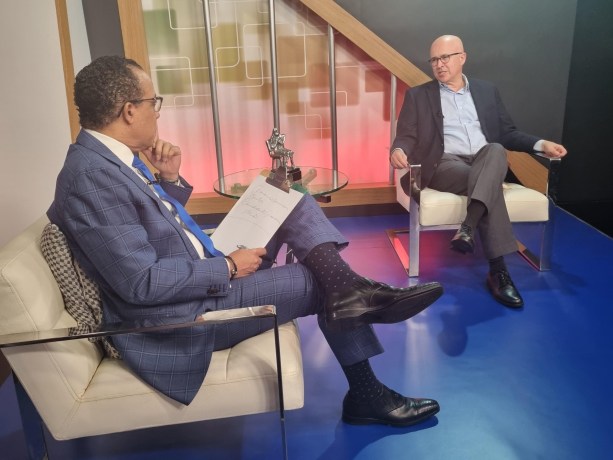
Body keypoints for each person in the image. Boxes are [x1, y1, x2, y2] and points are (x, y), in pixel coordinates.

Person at [48, 55, 444, 427]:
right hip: (180, 317)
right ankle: (366, 384)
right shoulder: (92, 176)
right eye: (154, 102)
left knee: (291, 200)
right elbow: (140, 283)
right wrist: (228, 266)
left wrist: (169, 179)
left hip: (195, 270)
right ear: (129, 111)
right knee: (319, 280)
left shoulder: (109, 159)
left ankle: (353, 294)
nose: (157, 111)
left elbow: (148, 226)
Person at [390, 35, 567, 308]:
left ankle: (468, 227)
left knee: (495, 149)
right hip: (444, 163)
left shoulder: (486, 91)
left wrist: (541, 144)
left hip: (486, 160)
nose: (439, 64)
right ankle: (498, 270)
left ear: (462, 57)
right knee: (489, 184)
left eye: (445, 57)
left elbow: (507, 133)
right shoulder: (418, 95)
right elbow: (406, 135)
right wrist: (398, 149)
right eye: (434, 60)